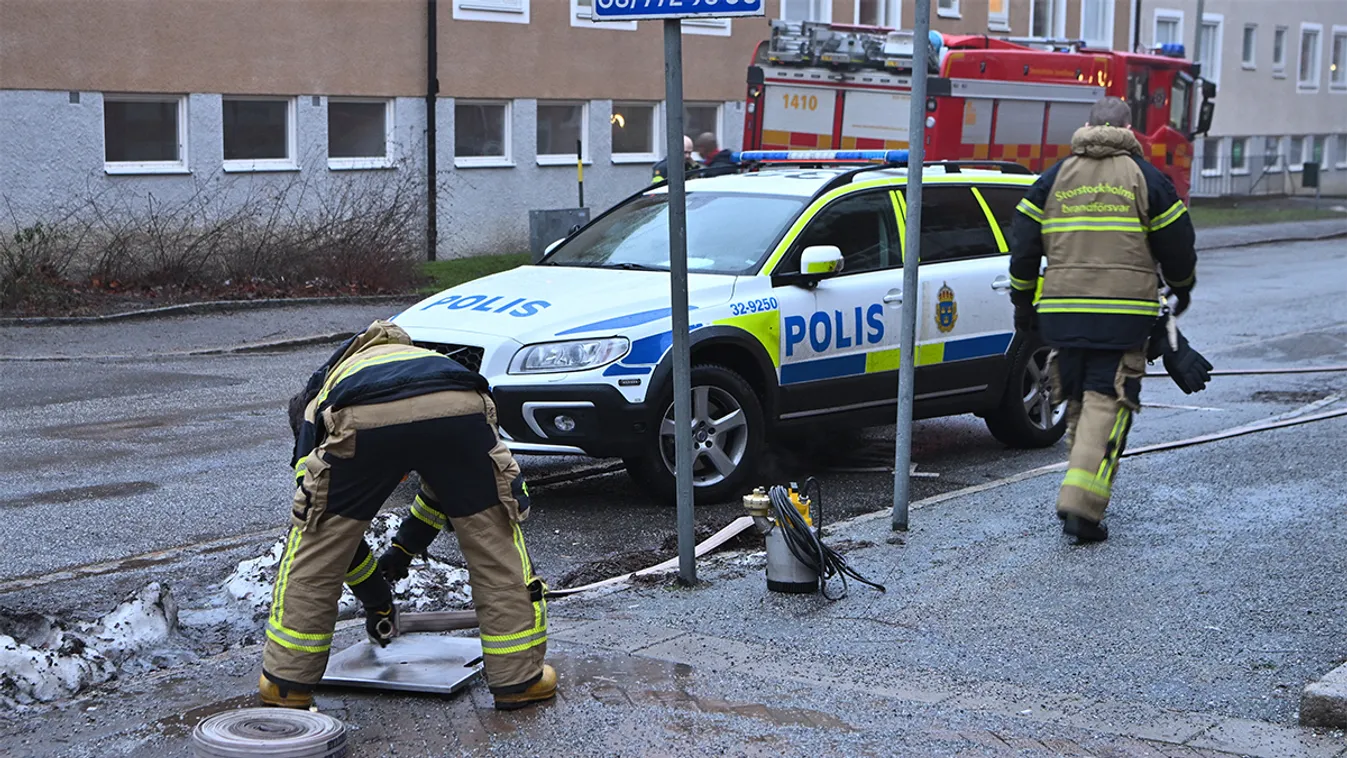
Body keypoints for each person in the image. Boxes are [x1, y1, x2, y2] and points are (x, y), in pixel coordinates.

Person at [258, 320, 556, 711]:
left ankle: (286, 686)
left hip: (361, 414)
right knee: (495, 542)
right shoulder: (423, 361)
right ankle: (520, 680)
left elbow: (335, 539)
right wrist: (402, 550)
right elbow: (447, 492)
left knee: (315, 545)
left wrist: (376, 600)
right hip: (461, 405)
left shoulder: (320, 402)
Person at [1008, 97, 1197, 543]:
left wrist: (1022, 303)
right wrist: (1182, 285)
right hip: (1122, 316)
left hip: (1061, 312)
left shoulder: (1054, 178)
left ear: (1089, 125)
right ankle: (1082, 506)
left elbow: (1023, 242)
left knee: (1077, 399)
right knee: (1107, 403)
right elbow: (1177, 242)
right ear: (1129, 129)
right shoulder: (1146, 178)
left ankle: (1079, 488)